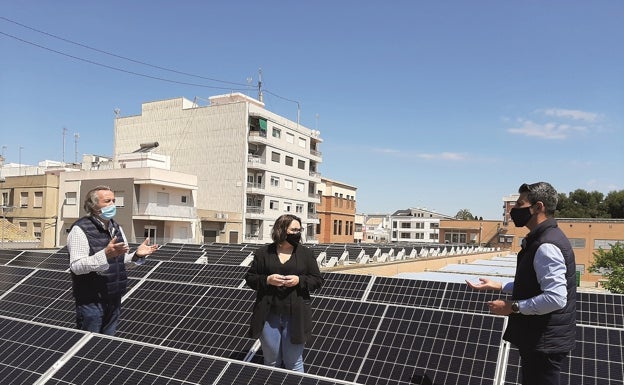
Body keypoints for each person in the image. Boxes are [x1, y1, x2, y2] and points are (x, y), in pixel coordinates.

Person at [466, 182, 576, 385]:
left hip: (544, 343)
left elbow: (555, 298)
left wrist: (511, 307)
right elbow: (534, 284)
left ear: (538, 207)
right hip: (542, 339)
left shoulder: (546, 246)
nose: (514, 210)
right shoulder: (543, 238)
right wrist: (499, 285)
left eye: (519, 204)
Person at [67, 186, 158, 335]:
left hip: (114, 299)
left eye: (114, 201)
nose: (112, 205)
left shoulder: (116, 228)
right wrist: (105, 255)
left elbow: (121, 262)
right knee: (87, 348)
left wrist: (138, 255)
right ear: (93, 205)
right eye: (107, 201)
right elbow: (76, 266)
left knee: (106, 345)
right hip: (91, 301)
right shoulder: (80, 229)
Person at [245, 214, 324, 372]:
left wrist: (299, 281)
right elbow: (250, 278)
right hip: (269, 316)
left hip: (296, 316)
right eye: (293, 230)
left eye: (299, 230)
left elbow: (317, 280)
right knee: (271, 362)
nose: (297, 233)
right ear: (281, 230)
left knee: (293, 363)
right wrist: (267, 280)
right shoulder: (263, 253)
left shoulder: (306, 254)